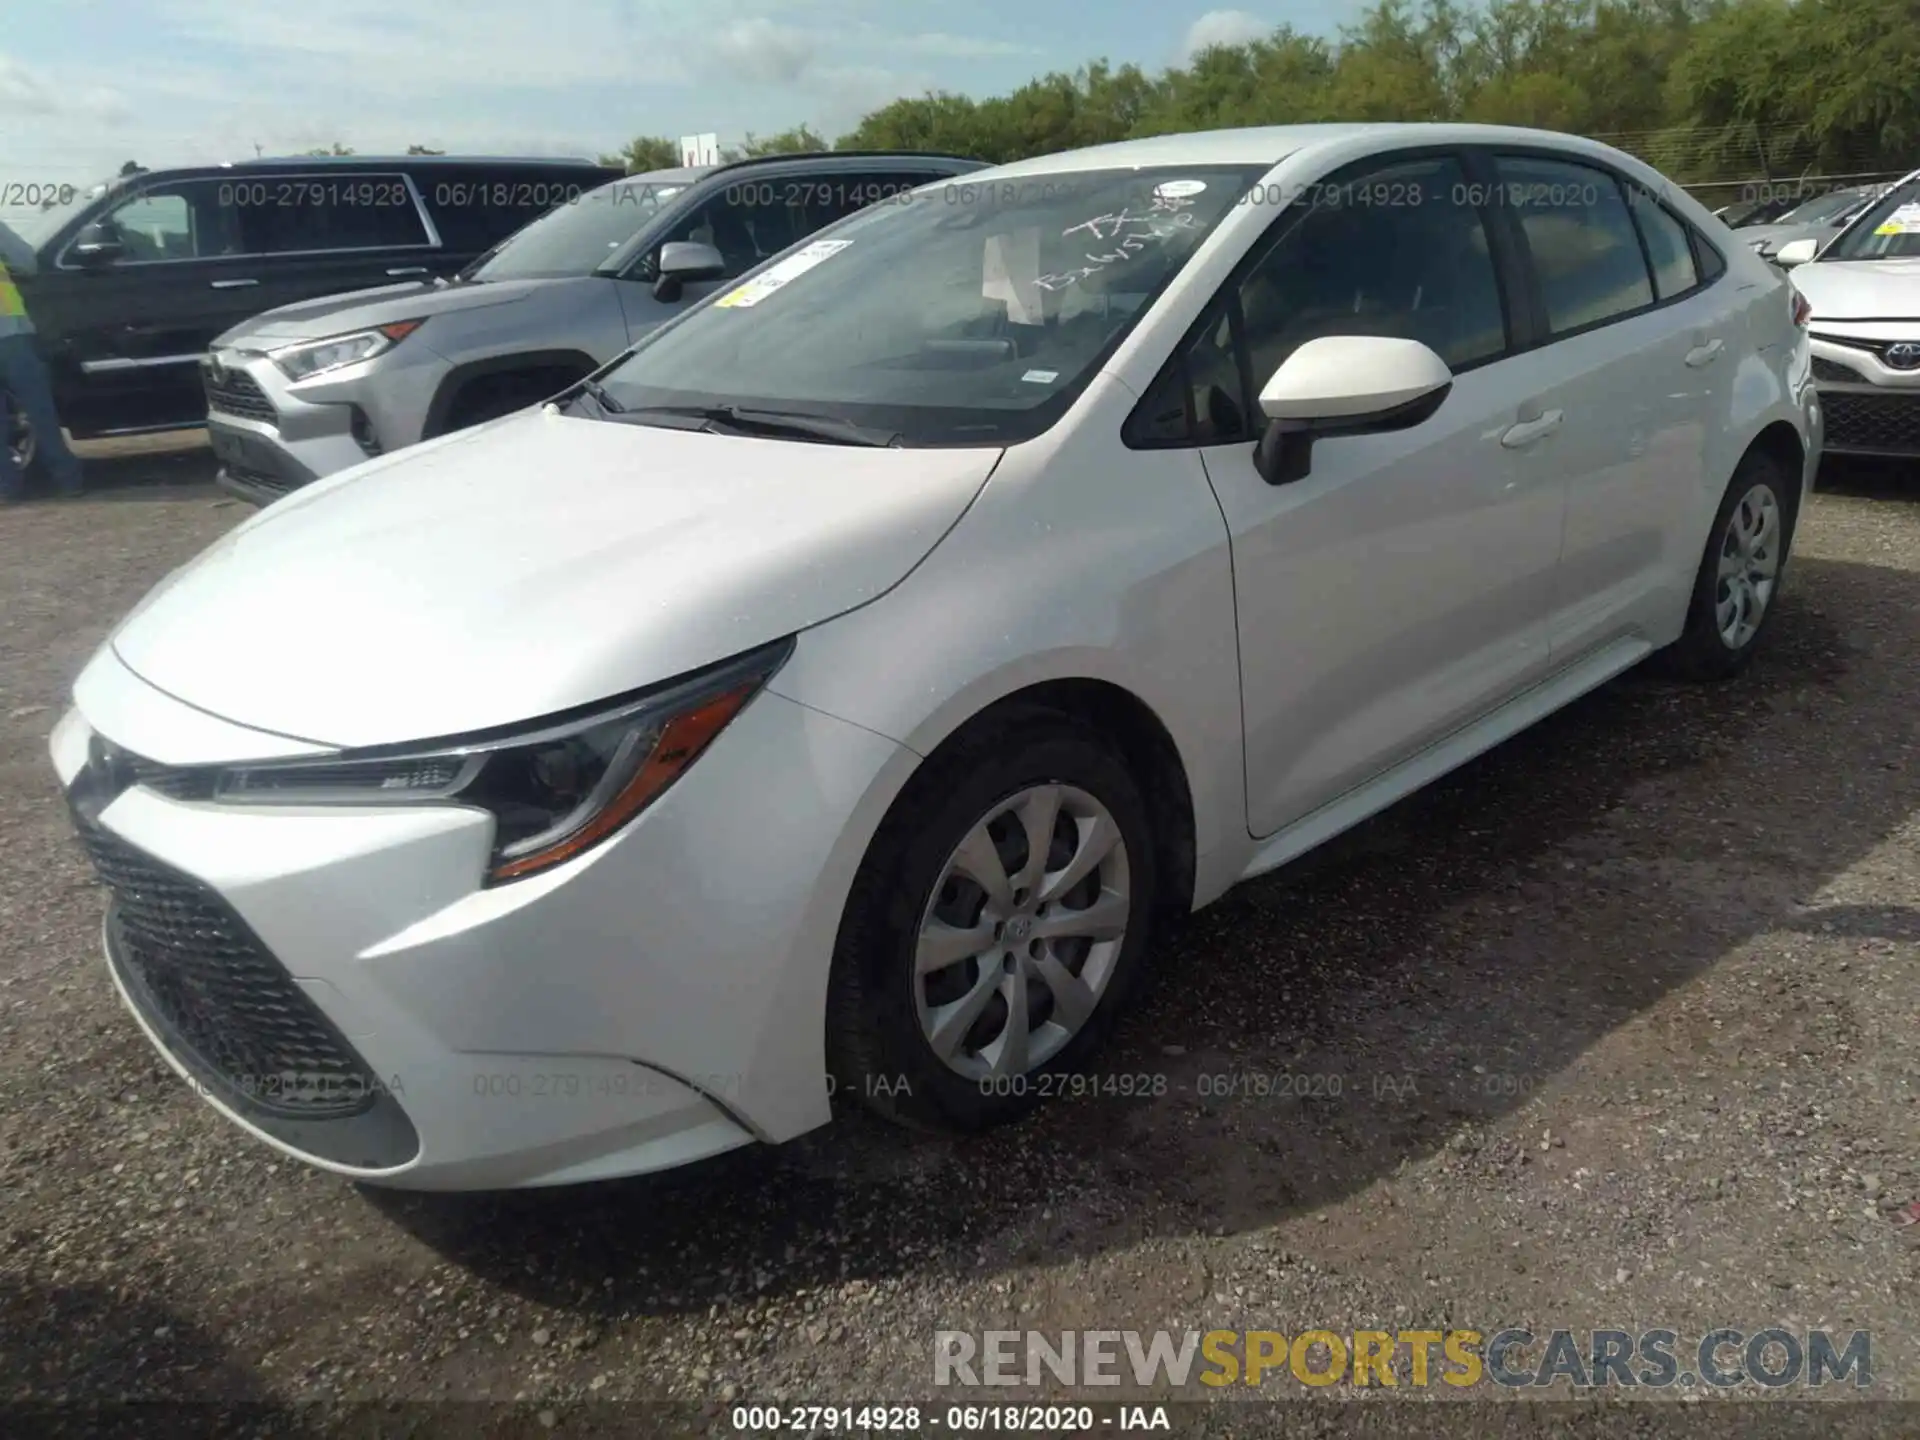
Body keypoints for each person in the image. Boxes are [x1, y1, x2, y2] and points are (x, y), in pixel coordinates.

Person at [0, 217, 84, 503]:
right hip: (10, 333)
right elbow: (27, 263)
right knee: (39, 411)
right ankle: (67, 478)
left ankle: (6, 487)